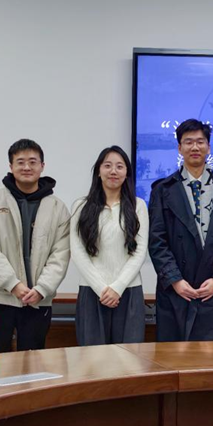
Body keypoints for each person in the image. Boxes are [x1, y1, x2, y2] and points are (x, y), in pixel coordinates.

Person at [0, 139, 70, 352]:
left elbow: (60, 255)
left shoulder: (58, 208)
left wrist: (42, 289)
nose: (27, 167)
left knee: (32, 363)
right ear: (11, 166)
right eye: (20, 162)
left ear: (42, 166)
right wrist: (13, 284)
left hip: (37, 300)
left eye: (32, 162)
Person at [148, 119, 213, 341]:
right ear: (179, 148)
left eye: (200, 142)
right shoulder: (163, 190)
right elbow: (157, 241)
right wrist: (175, 280)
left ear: (209, 147)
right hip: (177, 290)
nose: (195, 147)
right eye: (188, 142)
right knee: (174, 357)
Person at [70, 146, 149, 345]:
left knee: (129, 357)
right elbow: (77, 251)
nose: (113, 171)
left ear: (127, 173)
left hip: (128, 290)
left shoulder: (138, 205)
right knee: (93, 357)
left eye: (119, 167)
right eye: (107, 166)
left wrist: (118, 287)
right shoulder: (81, 206)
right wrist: (101, 288)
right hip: (91, 291)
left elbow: (139, 251)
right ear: (98, 171)